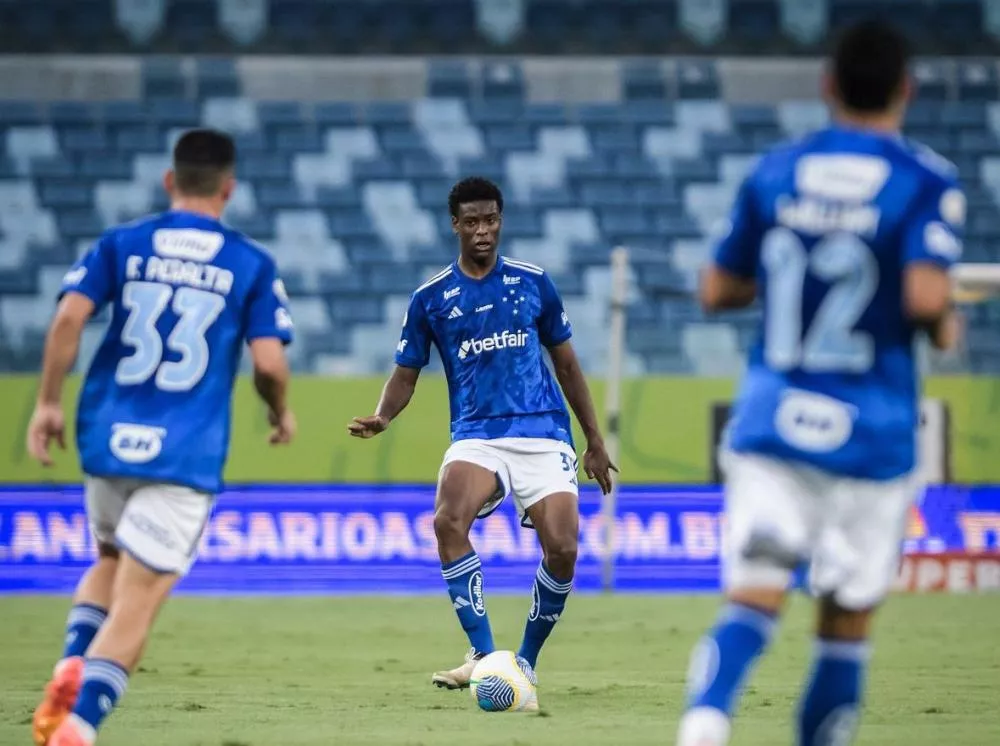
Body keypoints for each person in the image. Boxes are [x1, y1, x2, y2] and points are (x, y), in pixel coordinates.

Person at [676, 20, 964, 746]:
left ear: (827, 86)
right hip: (870, 435)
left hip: (775, 423)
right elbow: (927, 301)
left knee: (752, 600)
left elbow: (715, 289)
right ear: (908, 88)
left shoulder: (776, 171)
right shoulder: (924, 181)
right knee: (843, 626)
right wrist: (947, 323)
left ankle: (704, 725)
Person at [27, 129, 296, 746]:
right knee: (139, 601)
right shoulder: (249, 263)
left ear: (170, 181)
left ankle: (72, 659)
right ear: (228, 189)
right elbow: (270, 365)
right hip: (184, 449)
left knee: (110, 557)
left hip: (108, 436)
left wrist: (46, 403)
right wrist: (279, 410)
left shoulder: (122, 243)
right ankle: (79, 727)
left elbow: (69, 317)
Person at [349, 176, 617, 691]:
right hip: (477, 433)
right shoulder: (430, 298)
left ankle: (525, 663)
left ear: (500, 220)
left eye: (490, 220)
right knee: (448, 520)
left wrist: (595, 441)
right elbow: (405, 373)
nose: (482, 231)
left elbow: (566, 365)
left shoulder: (534, 282)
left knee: (562, 550)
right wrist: (383, 416)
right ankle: (485, 653)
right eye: (471, 222)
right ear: (455, 225)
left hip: (543, 430)